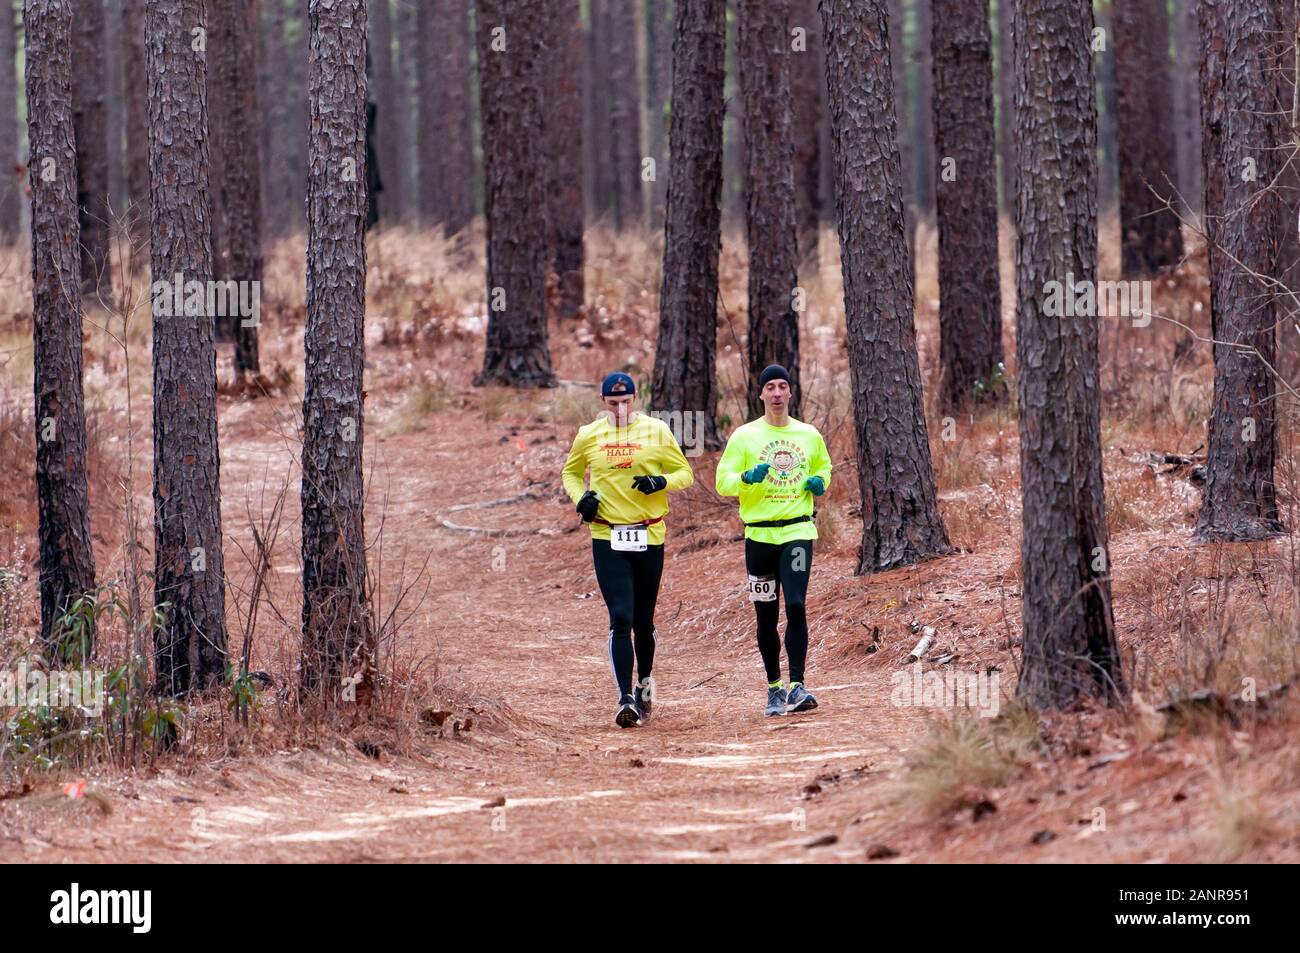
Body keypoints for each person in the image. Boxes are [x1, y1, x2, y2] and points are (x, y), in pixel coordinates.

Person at [563, 372, 695, 727]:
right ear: (602, 402)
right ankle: (625, 699)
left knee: (643, 621)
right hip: (608, 535)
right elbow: (571, 474)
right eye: (612, 403)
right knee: (620, 616)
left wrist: (660, 481)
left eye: (626, 402)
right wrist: (582, 499)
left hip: (648, 535)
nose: (620, 409)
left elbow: (686, 473)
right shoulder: (589, 435)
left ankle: (645, 684)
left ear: (636, 398)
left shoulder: (656, 430)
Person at [715, 364, 832, 717]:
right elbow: (723, 482)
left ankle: (798, 685)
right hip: (759, 536)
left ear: (790, 393)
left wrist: (819, 483)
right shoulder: (744, 436)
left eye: (783, 386)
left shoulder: (808, 434)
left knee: (795, 603)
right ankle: (774, 688)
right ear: (761, 394)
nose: (777, 393)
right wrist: (747, 478)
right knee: (765, 615)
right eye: (771, 387)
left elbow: (824, 467)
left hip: (797, 531)